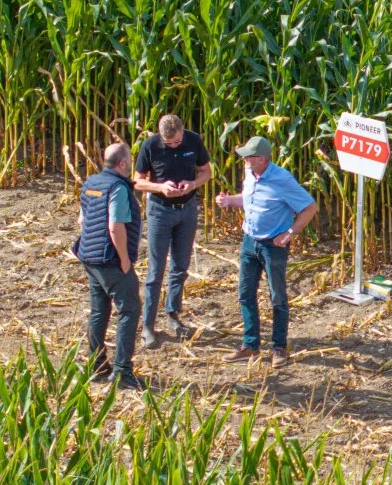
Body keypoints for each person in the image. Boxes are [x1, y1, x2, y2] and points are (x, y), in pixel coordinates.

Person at [216, 136, 317, 369]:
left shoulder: (282, 180)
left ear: (261, 159)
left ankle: (279, 347)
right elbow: (250, 201)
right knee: (245, 293)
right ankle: (250, 345)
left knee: (277, 297)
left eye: (248, 157)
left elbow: (310, 207)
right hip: (249, 242)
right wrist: (229, 200)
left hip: (274, 246)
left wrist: (290, 232)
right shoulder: (250, 175)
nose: (244, 160)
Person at [73, 143, 147, 390]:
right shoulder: (118, 187)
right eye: (130, 161)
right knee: (130, 309)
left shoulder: (91, 183)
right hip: (110, 260)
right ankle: (122, 372)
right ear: (123, 164)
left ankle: (96, 365)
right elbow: (115, 226)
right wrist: (124, 259)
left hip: (89, 257)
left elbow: (82, 220)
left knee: (99, 310)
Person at [133, 114, 211, 348]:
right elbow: (137, 181)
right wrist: (159, 187)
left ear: (183, 131)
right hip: (160, 210)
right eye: (169, 143)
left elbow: (206, 171)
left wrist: (193, 184)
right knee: (156, 270)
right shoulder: (150, 146)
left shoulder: (193, 141)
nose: (174, 145)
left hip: (187, 209)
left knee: (180, 266)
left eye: (177, 142)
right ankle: (148, 324)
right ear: (161, 136)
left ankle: (172, 315)